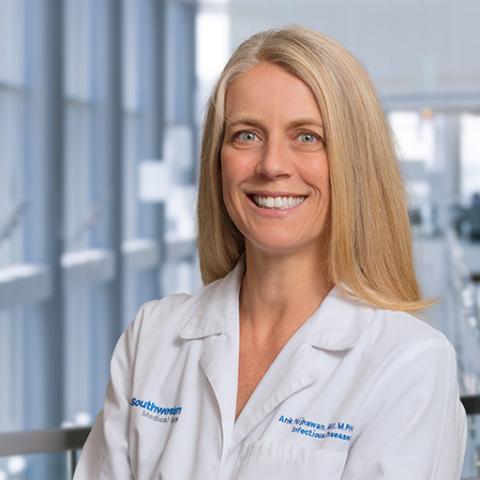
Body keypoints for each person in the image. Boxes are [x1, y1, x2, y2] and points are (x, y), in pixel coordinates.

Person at [74, 26, 467, 479]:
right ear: (217, 157)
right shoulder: (153, 336)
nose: (272, 165)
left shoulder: (408, 362)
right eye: (246, 135)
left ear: (354, 161)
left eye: (307, 137)